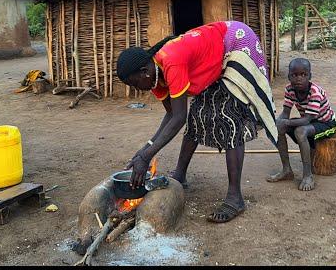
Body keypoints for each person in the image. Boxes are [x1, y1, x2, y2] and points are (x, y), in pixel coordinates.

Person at [116, 21, 277, 223]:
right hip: (214, 55)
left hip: (236, 43)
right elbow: (172, 115)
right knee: (197, 115)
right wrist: (144, 150)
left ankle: (235, 198)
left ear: (143, 71)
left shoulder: (171, 62)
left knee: (229, 118)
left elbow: (178, 118)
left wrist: (146, 156)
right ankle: (180, 175)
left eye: (134, 83)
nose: (137, 89)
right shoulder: (155, 77)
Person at [267, 58, 336, 191]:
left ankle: (308, 175)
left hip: (325, 123)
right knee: (278, 127)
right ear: (289, 77)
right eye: (295, 75)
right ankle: (287, 170)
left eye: (303, 75)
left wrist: (286, 122)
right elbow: (285, 113)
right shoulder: (289, 89)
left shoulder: (315, 92)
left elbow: (307, 120)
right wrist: (275, 122)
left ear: (309, 76)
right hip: (308, 121)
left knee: (300, 131)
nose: (299, 78)